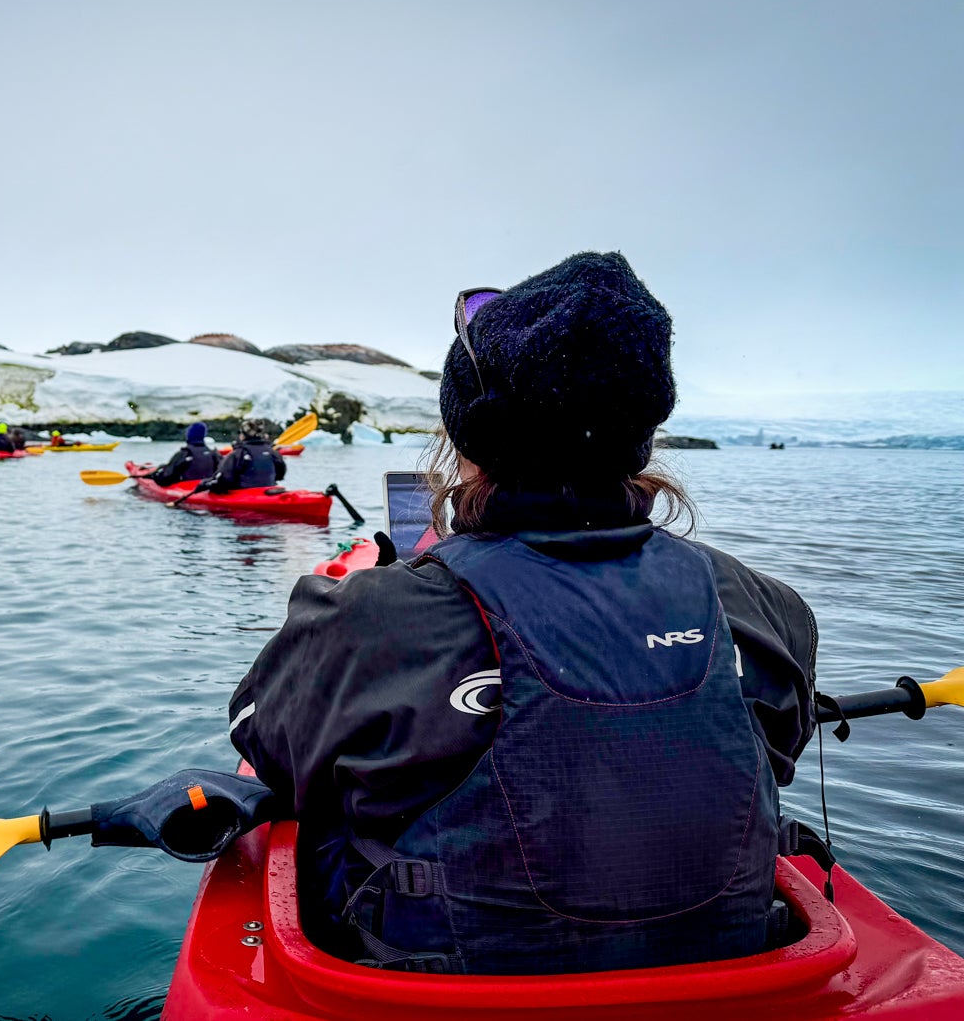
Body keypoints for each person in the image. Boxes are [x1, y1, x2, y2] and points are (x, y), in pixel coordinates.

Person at [227, 252, 817, 976]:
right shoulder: (768, 608)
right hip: (728, 979)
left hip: (436, 987)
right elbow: (780, 747)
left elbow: (262, 741)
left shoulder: (369, 616)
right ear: (642, 426)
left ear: (469, 439)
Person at [207, 418, 285, 493]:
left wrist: (209, 486)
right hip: (268, 489)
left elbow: (224, 478)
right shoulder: (272, 452)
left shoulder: (238, 453)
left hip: (244, 492)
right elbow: (280, 475)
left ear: (243, 435)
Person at [149, 421, 219, 486]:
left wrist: (154, 476)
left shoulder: (184, 454)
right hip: (205, 486)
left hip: (186, 488)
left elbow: (166, 478)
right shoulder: (213, 454)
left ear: (189, 435)